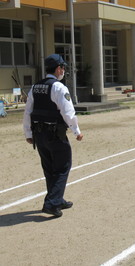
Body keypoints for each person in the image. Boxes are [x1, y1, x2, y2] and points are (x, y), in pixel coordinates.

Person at [23, 54, 83, 218]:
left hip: (39, 135)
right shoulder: (59, 87)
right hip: (55, 134)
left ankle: (57, 199)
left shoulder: (35, 87)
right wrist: (76, 131)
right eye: (63, 67)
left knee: (49, 169)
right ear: (58, 69)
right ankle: (52, 203)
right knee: (62, 167)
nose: (63, 70)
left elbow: (28, 112)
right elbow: (68, 112)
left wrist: (28, 133)